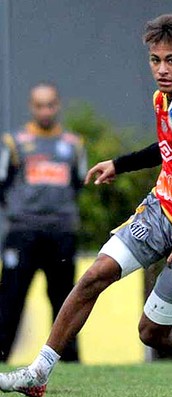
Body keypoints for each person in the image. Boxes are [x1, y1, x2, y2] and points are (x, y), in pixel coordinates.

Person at [0, 14, 172, 397]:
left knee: (151, 333)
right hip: (160, 209)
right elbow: (168, 149)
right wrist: (120, 163)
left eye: (171, 60)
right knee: (95, 275)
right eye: (155, 60)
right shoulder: (161, 99)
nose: (162, 70)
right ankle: (38, 373)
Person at [0, 82, 87, 363]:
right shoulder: (13, 142)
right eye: (40, 105)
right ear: (31, 107)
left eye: (50, 104)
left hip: (61, 233)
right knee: (10, 299)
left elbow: (78, 183)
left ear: (57, 105)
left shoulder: (74, 144)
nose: (45, 110)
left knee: (65, 300)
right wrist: (21, 212)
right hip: (22, 233)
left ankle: (70, 362)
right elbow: (3, 184)